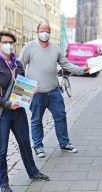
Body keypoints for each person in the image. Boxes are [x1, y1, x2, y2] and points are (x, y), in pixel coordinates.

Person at [0, 31, 50, 192]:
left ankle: (33, 172)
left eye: (11, 42)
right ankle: (3, 183)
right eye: (5, 41)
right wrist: (6, 103)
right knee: (1, 149)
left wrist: (30, 91)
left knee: (25, 143)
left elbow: (21, 85)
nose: (8, 45)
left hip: (18, 111)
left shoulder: (17, 64)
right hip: (0, 112)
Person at [19, 22, 88, 158]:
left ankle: (64, 143)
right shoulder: (29, 47)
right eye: (42, 30)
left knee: (60, 116)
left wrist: (81, 70)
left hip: (53, 91)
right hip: (37, 93)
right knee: (36, 120)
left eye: (47, 30)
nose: (45, 33)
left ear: (50, 32)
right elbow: (20, 65)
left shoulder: (56, 49)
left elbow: (66, 64)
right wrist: (24, 89)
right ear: (37, 32)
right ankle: (38, 147)